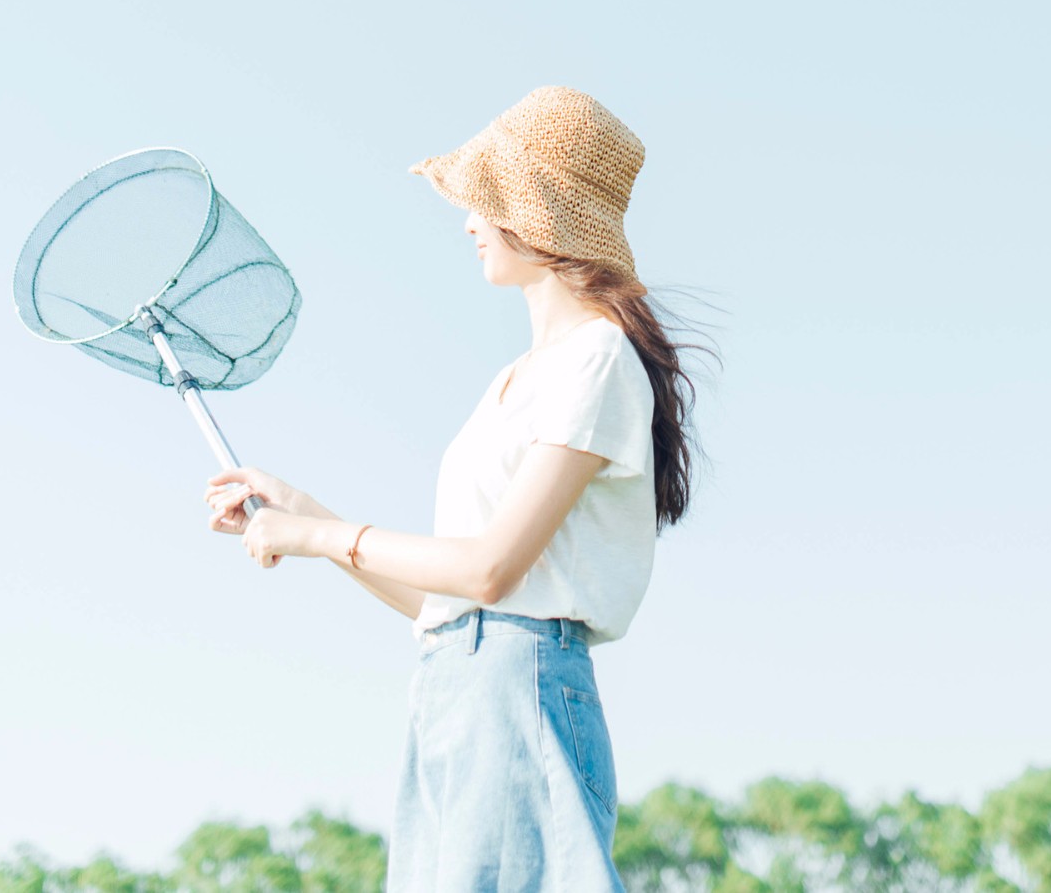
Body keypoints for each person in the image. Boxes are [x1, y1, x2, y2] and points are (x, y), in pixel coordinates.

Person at [200, 85, 713, 892]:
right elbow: (449, 601)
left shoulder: (598, 360)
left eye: (484, 200)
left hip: (520, 690)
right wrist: (304, 514)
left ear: (535, 213)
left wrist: (315, 537)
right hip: (453, 688)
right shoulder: (514, 380)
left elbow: (489, 573)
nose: (469, 221)